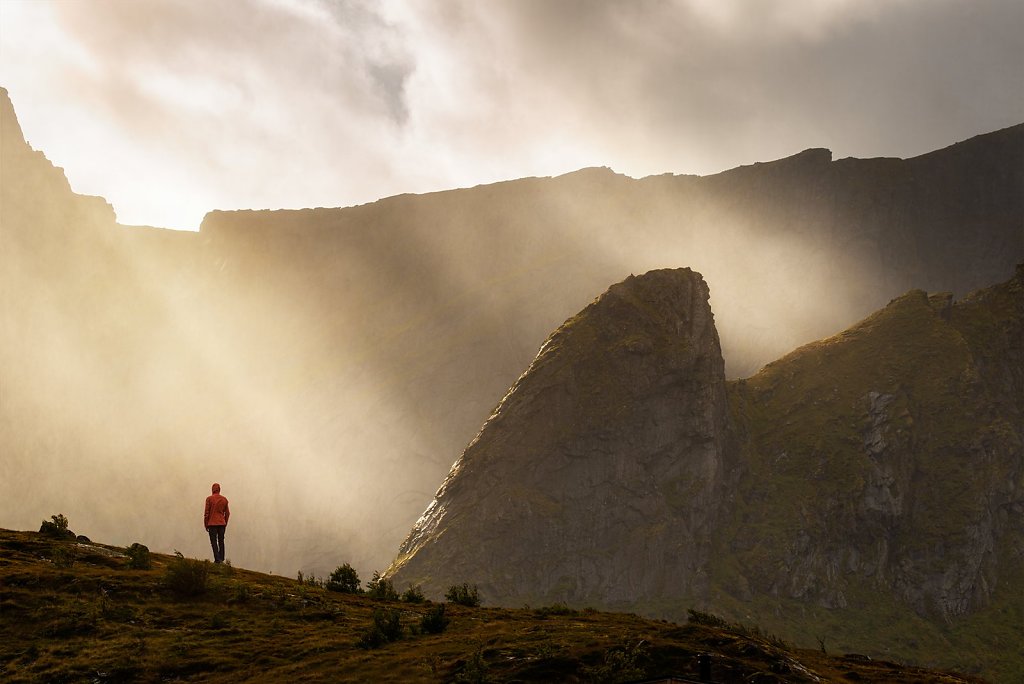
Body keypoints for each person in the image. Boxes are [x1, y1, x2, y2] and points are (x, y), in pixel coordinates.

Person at [204, 482, 230, 563]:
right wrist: (225, 523)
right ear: (219, 489)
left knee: (214, 542)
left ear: (212, 490)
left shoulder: (209, 499)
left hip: (212, 524)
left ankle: (217, 559)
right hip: (222, 524)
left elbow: (206, 513)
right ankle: (221, 558)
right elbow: (228, 513)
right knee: (221, 541)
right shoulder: (224, 499)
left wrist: (206, 524)